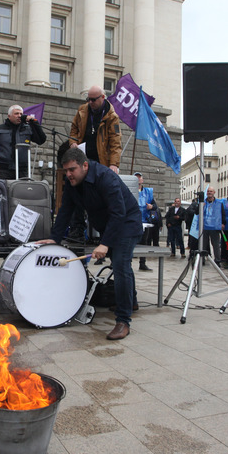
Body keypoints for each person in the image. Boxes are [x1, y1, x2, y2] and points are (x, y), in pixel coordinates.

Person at [39, 147, 143, 340]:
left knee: (120, 264)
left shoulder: (106, 178)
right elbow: (65, 211)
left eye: (72, 169)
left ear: (85, 165)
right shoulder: (72, 183)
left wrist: (104, 244)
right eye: (66, 170)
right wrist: (55, 238)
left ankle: (123, 321)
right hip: (109, 225)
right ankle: (132, 301)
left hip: (127, 223)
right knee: (122, 265)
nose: (68, 174)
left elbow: (118, 213)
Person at [69, 85, 122, 173]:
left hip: (100, 162)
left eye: (93, 100)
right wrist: (73, 142)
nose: (90, 102)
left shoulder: (112, 117)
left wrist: (113, 164)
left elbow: (115, 143)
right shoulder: (82, 110)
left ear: (103, 97)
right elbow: (74, 128)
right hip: (82, 159)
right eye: (88, 99)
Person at [0, 104, 46, 179]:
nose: (19, 116)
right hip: (4, 169)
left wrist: (34, 123)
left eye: (21, 114)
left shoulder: (27, 128)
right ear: (9, 116)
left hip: (22, 169)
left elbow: (41, 140)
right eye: (16, 113)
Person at [135, 172, 158, 271]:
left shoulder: (148, 192)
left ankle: (142, 263)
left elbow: (155, 206)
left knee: (144, 243)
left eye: (139, 178)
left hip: (145, 221)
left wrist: (151, 206)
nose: (138, 179)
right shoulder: (129, 190)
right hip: (133, 221)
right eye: (136, 178)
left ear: (142, 180)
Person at [201, 187, 226, 261]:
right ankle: (202, 259)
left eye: (211, 191)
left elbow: (223, 213)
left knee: (216, 245)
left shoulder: (219, 203)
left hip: (215, 227)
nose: (209, 192)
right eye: (208, 191)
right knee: (203, 244)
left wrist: (223, 223)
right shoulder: (203, 203)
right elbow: (197, 213)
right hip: (204, 226)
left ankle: (218, 260)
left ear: (214, 192)